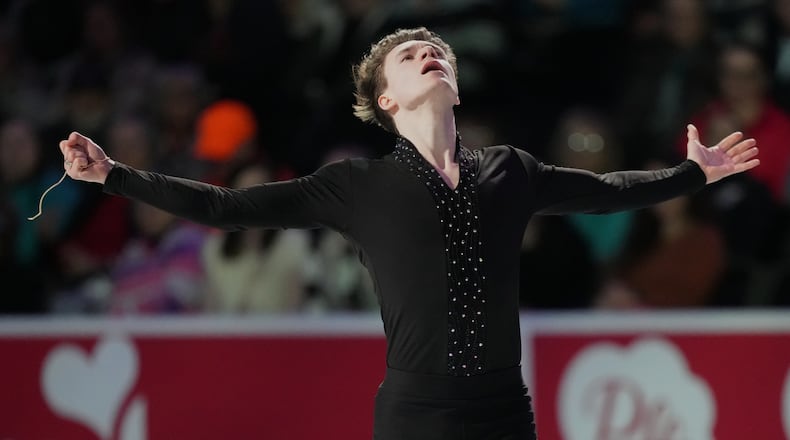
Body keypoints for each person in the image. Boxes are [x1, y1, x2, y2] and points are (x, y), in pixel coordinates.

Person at [57, 27, 758, 440]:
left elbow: (607, 192)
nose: (431, 52)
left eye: (438, 50)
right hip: (415, 413)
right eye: (411, 53)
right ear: (386, 100)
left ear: (454, 82)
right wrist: (116, 176)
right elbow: (225, 208)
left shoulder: (510, 171)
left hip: (503, 409)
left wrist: (690, 177)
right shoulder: (355, 186)